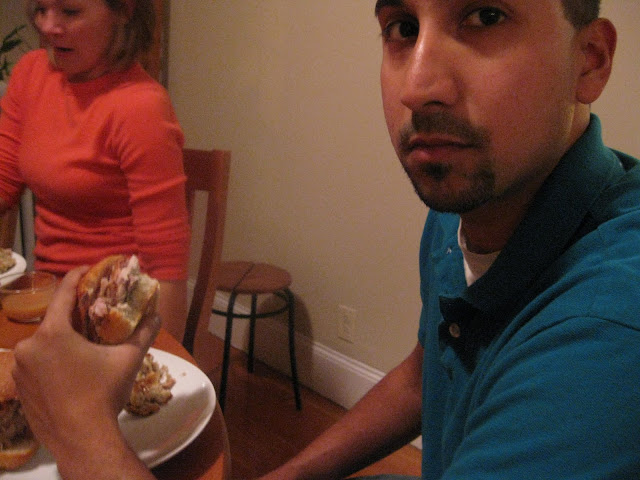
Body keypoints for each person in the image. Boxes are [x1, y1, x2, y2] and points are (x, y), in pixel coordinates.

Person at [10, 0, 640, 479]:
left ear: (590, 60)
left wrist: (81, 428)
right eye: (401, 27)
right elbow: (422, 379)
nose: (419, 87)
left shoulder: (608, 338)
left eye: (485, 16)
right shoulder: (465, 208)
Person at [0, 0, 190, 340]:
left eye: (70, 11)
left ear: (123, 10)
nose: (47, 26)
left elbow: (167, 267)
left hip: (111, 321)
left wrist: (162, 358)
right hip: (46, 304)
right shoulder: (31, 73)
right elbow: (3, 180)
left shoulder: (141, 105)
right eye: (41, 8)